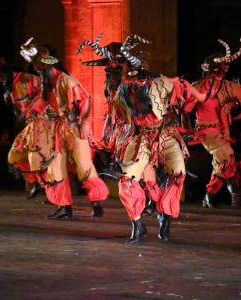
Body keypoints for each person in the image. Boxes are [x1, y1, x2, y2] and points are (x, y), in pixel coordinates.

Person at [79, 33, 206, 244]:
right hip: (140, 138)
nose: (128, 79)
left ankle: (164, 215)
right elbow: (116, 117)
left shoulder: (161, 82)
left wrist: (200, 98)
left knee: (177, 174)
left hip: (167, 134)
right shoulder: (122, 92)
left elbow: (184, 86)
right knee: (126, 180)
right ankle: (137, 224)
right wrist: (109, 137)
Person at [19, 38, 109, 219]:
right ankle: (64, 206)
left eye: (41, 66)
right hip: (56, 128)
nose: (38, 70)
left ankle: (96, 201)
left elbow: (85, 100)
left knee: (83, 164)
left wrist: (84, 122)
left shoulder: (66, 80)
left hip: (74, 127)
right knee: (54, 167)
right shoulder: (46, 84)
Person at [183, 39, 241, 207]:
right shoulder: (199, 86)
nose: (218, 75)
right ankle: (231, 182)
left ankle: (209, 195)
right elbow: (185, 108)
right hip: (206, 130)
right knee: (226, 153)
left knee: (223, 160)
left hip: (224, 130)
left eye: (221, 71)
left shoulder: (230, 87)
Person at [0, 57, 47, 199]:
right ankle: (36, 182)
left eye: (0, 75)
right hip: (32, 125)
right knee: (15, 156)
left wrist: (30, 108)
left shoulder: (29, 80)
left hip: (46, 123)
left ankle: (50, 188)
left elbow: (45, 96)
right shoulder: (10, 87)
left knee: (41, 157)